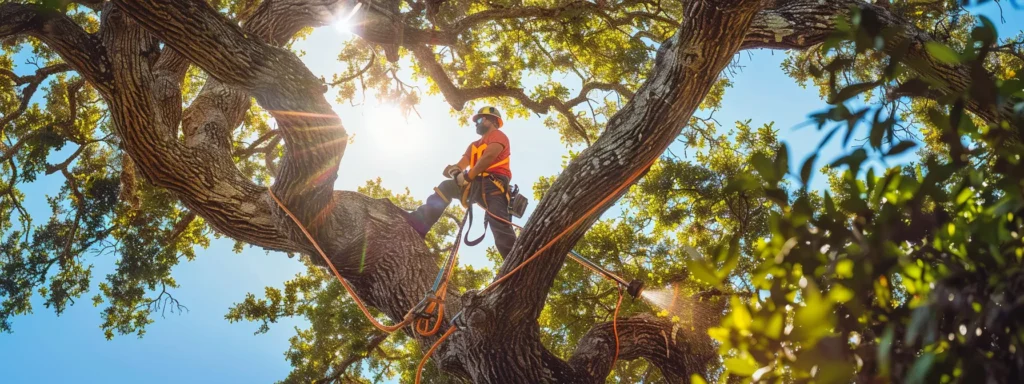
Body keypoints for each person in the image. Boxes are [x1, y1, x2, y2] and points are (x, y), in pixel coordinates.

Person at [406, 106, 517, 258]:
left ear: (490, 120)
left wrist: (467, 177)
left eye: (478, 119)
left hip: (494, 185)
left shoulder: (498, 136)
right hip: (476, 183)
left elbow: (488, 157)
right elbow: (462, 164)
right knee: (446, 187)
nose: (476, 123)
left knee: (498, 222)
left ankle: (515, 263)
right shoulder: (474, 145)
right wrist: (455, 170)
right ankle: (417, 225)